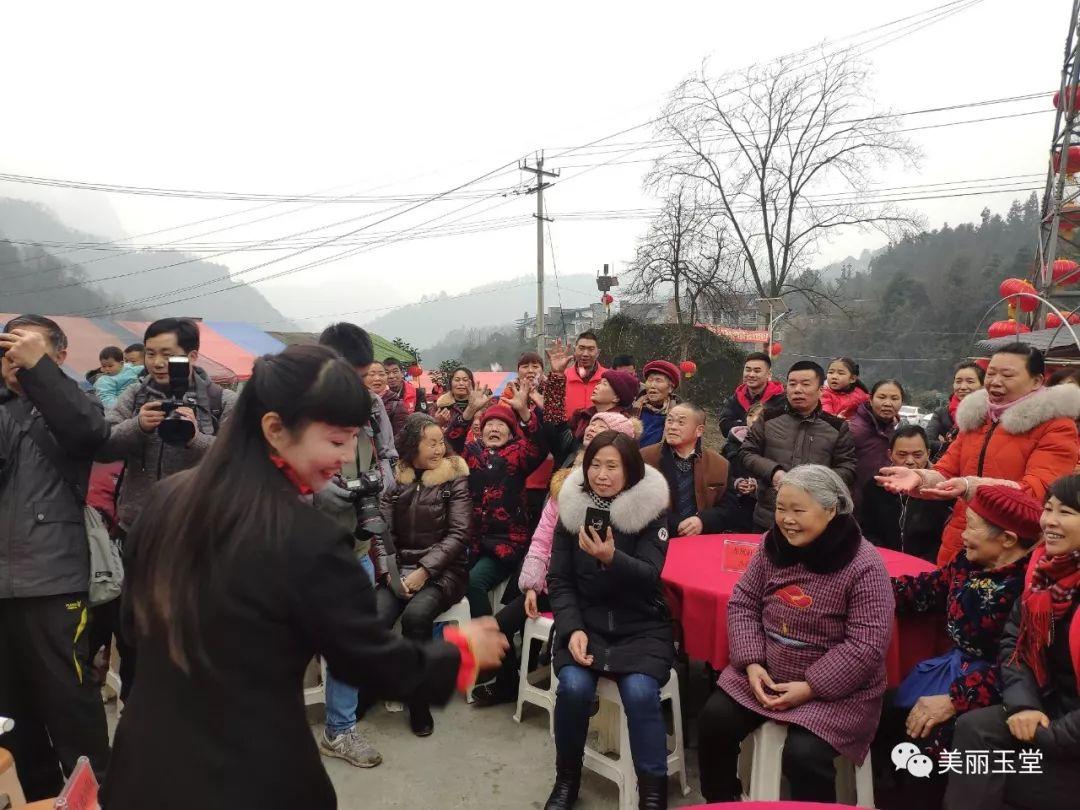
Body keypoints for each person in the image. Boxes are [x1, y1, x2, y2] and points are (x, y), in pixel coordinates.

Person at [101, 344, 507, 810]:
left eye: (354, 440)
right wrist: (462, 654)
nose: (346, 457)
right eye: (335, 441)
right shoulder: (303, 536)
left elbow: (131, 632)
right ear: (275, 429)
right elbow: (368, 663)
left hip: (143, 767)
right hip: (248, 773)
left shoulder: (168, 499)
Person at [697, 465, 893, 803]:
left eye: (798, 510)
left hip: (836, 692)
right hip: (766, 673)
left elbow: (866, 645)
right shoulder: (772, 547)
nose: (786, 519)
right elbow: (743, 602)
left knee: (805, 757)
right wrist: (752, 664)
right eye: (781, 509)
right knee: (713, 721)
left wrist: (811, 686)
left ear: (831, 510)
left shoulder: (864, 564)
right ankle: (723, 801)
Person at [0, 315, 111, 799]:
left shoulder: (75, 400)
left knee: (70, 701)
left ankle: (96, 797)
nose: (15, 358)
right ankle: (44, 798)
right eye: (9, 349)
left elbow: (89, 435)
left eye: (28, 348)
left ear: (59, 356)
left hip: (53, 578)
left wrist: (37, 376)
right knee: (11, 711)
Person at [879, 485, 1039, 807]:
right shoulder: (968, 563)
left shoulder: (1028, 591)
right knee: (879, 711)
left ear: (1007, 539)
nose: (963, 535)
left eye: (972, 527)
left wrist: (955, 700)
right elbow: (926, 590)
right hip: (950, 669)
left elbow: (1024, 668)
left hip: (994, 690)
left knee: (926, 748)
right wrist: (866, 586)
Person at [473, 410, 640, 707]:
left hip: (597, 593)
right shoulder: (565, 484)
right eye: (591, 426)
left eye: (602, 428)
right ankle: (508, 682)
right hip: (555, 582)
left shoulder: (632, 498)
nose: (591, 431)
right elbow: (543, 536)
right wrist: (535, 583)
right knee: (499, 623)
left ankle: (585, 693)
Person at [544, 432, 673, 810]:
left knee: (639, 693)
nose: (602, 474)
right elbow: (559, 579)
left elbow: (651, 574)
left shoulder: (652, 511)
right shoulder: (572, 509)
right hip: (588, 622)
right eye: (595, 465)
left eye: (612, 466)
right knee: (572, 686)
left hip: (642, 624)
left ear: (630, 469)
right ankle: (566, 780)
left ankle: (652, 795)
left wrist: (611, 557)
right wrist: (573, 629)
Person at [944, 474, 1080, 810]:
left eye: (1066, 512)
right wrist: (1025, 706)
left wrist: (1046, 735)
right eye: (1048, 509)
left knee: (999, 779)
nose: (1049, 521)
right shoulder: (1042, 576)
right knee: (973, 730)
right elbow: (1015, 646)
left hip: (1067, 730)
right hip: (1050, 708)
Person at [877, 343, 1080, 566]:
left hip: (1012, 548)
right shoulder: (977, 418)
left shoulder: (1056, 426)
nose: (995, 381)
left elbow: (1037, 492)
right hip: (962, 537)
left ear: (1037, 381)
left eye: (1007, 375)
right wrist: (921, 478)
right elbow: (947, 470)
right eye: (991, 373)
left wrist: (969, 486)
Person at [314, 321, 400, 767]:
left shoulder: (370, 405)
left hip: (355, 546)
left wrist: (379, 481)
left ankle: (339, 730)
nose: (360, 385)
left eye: (365, 375)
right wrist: (316, 485)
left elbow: (390, 455)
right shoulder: (295, 404)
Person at [374, 413, 471, 736]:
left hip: (443, 572)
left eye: (441, 441)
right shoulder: (395, 479)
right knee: (376, 617)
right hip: (398, 568)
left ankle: (418, 702)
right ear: (411, 446)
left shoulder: (454, 477)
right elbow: (380, 531)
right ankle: (371, 688)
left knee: (416, 617)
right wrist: (389, 572)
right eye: (431, 443)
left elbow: (458, 534)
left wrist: (425, 571)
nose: (439, 448)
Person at [97, 318, 239, 535]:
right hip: (137, 527)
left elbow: (236, 460)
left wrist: (195, 438)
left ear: (192, 356)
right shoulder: (135, 395)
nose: (157, 362)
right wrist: (138, 426)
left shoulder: (222, 401)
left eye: (167, 354)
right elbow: (104, 448)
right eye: (151, 353)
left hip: (198, 529)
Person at [445, 384, 547, 617]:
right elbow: (448, 445)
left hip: (505, 544)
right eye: (489, 424)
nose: (494, 428)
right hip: (470, 543)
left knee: (473, 583)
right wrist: (469, 412)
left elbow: (540, 444)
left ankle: (494, 646)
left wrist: (524, 413)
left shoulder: (519, 452)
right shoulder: (470, 452)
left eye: (501, 425)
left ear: (511, 432)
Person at [738, 360, 857, 531]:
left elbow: (848, 467)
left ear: (820, 390)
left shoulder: (836, 427)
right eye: (792, 384)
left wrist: (816, 483)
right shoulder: (768, 418)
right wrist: (774, 472)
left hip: (815, 516)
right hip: (769, 514)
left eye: (805, 384)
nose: (797, 389)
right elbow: (746, 453)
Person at [859, 425, 953, 562]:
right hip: (885, 563)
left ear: (928, 453)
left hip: (928, 567)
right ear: (890, 454)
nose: (909, 461)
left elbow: (945, 536)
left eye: (917, 455)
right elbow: (866, 531)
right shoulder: (876, 485)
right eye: (902, 455)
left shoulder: (941, 489)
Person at [641, 402, 728, 537]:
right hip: (655, 537)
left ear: (699, 430)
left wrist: (702, 521)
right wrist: (676, 524)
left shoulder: (720, 464)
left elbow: (728, 506)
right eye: (669, 421)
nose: (672, 427)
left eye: (681, 423)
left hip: (701, 539)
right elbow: (639, 501)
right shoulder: (646, 457)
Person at [848, 378, 903, 508]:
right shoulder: (854, 428)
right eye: (882, 397)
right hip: (853, 500)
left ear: (902, 403)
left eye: (894, 399)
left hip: (880, 501)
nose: (888, 403)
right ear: (871, 400)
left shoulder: (891, 429)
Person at [713, 402, 766, 533]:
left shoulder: (772, 447)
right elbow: (719, 475)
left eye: (759, 416)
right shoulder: (730, 445)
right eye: (751, 414)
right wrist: (736, 483)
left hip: (758, 512)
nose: (753, 419)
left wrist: (756, 486)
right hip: (732, 505)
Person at [926, 361, 984, 460]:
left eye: (970, 382)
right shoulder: (942, 413)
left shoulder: (989, 414)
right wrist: (953, 446)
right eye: (958, 381)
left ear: (982, 385)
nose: (963, 387)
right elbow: (926, 441)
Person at [718, 351, 785, 438]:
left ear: (769, 374)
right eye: (748, 370)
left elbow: (779, 431)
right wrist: (755, 424)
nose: (751, 375)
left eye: (757, 371)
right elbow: (725, 427)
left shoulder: (780, 399)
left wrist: (739, 424)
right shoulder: (736, 398)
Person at [567, 368, 639, 442]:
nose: (597, 386)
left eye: (604, 384)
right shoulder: (582, 416)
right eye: (599, 383)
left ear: (616, 398)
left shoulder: (622, 426)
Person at [635, 360, 681, 448]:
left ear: (670, 388)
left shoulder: (678, 416)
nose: (652, 385)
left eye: (658, 380)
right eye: (650, 380)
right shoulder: (633, 408)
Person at [563, 331, 606, 419]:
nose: (585, 354)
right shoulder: (562, 377)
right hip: (568, 431)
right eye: (581, 348)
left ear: (598, 353)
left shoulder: (608, 378)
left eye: (591, 349)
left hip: (600, 431)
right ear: (574, 350)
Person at [364, 360, 409, 437]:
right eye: (372, 374)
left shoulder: (397, 405)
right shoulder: (356, 402)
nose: (377, 378)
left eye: (381, 374)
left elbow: (401, 438)